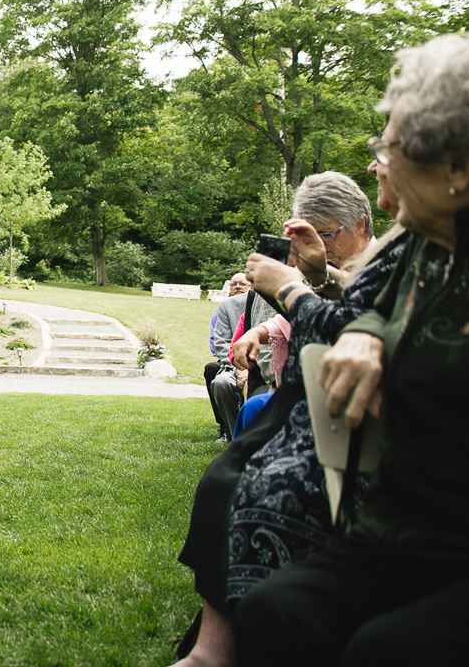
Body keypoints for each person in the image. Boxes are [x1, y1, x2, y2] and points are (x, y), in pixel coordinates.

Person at [233, 30, 469, 667]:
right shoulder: (429, 248)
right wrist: (365, 335)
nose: (379, 159)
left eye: (392, 144)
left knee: (387, 647)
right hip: (401, 531)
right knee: (277, 612)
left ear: (458, 169)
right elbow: (373, 310)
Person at [172, 169, 392, 666]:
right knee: (227, 473)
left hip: (351, 419)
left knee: (248, 475)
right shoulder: (401, 250)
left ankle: (217, 647)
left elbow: (354, 317)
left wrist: (295, 289)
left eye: (329, 235)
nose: (377, 165)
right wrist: (305, 285)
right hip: (311, 401)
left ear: (360, 225)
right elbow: (348, 299)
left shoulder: (401, 253)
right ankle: (212, 643)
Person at [206, 273, 253, 442]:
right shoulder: (225, 309)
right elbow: (219, 343)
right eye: (234, 284)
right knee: (218, 379)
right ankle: (233, 435)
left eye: (242, 283)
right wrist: (238, 368)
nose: (238, 287)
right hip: (232, 362)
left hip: (259, 364)